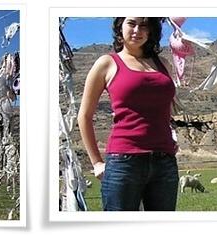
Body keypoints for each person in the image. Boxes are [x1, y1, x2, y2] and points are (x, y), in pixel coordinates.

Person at [77, 17, 179, 211]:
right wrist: (97, 162)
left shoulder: (163, 64)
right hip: (123, 162)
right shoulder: (107, 63)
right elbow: (84, 116)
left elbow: (163, 108)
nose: (137, 30)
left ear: (151, 31)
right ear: (120, 26)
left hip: (164, 162)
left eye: (144, 25)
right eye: (132, 23)